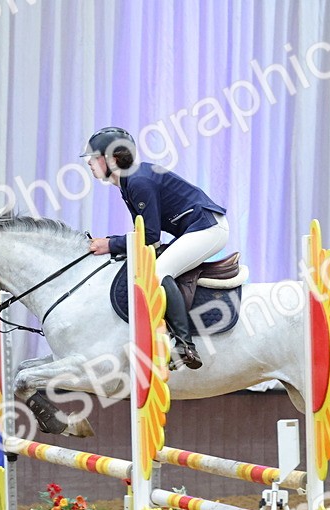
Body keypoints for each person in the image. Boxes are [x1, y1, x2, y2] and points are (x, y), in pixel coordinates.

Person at [82, 127, 228, 370]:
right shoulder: (128, 182)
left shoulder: (138, 181)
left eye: (94, 157)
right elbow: (147, 234)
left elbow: (149, 236)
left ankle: (185, 346)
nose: (89, 162)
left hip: (208, 228)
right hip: (195, 228)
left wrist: (110, 244)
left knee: (158, 272)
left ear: (112, 159)